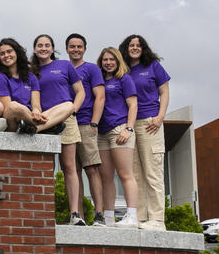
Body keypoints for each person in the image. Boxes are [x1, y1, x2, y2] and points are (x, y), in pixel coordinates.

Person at [30, 35, 85, 225]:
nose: (43, 48)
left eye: (47, 45)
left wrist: (73, 109)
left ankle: (75, 214)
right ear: (35, 49)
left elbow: (80, 92)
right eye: (40, 45)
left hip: (66, 119)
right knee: (47, 168)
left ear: (52, 48)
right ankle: (48, 215)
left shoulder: (65, 66)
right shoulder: (31, 70)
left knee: (70, 167)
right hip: (43, 120)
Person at [119, 34, 170, 231]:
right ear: (126, 48)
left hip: (150, 123)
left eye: (138, 45)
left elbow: (164, 92)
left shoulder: (153, 66)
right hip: (129, 124)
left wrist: (160, 116)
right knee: (135, 174)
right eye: (131, 45)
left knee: (153, 173)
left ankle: (157, 220)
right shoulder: (123, 69)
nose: (135, 48)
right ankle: (139, 218)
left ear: (144, 48)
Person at [66, 34, 107, 227]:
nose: (76, 49)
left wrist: (94, 123)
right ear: (67, 49)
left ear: (84, 49)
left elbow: (100, 96)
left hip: (85, 123)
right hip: (67, 124)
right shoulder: (62, 69)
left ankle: (99, 214)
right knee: (72, 171)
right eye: (72, 46)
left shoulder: (91, 69)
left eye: (79, 46)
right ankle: (78, 215)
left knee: (91, 169)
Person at [96, 47, 139, 229]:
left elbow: (133, 104)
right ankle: (108, 217)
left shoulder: (125, 79)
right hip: (102, 133)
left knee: (125, 174)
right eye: (105, 59)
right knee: (105, 177)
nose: (108, 62)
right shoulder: (99, 81)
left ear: (118, 60)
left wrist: (128, 128)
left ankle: (132, 215)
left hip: (120, 129)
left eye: (112, 59)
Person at [0, 38, 65, 134]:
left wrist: (36, 111)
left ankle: (34, 128)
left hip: (31, 116)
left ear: (17, 53)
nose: (6, 55)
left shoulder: (31, 77)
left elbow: (36, 105)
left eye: (9, 51)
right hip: (12, 120)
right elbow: (8, 107)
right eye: (2, 54)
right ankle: (47, 126)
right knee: (14, 106)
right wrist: (32, 115)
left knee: (68, 106)